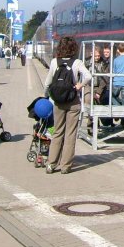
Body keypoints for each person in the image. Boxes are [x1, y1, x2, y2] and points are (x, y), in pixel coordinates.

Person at [43, 36, 91, 174]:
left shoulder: (54, 62)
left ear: (60, 48)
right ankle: (65, 166)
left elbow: (47, 83)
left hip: (58, 102)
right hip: (73, 101)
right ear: (73, 48)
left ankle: (51, 164)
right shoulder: (77, 62)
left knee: (58, 132)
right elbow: (88, 76)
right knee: (70, 134)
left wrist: (46, 96)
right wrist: (79, 86)